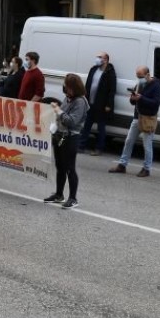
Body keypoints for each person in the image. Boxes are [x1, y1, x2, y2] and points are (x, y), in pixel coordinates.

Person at [44, 74, 88, 208]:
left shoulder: (80, 101)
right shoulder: (68, 98)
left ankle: (73, 198)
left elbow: (72, 121)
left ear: (74, 87)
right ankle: (59, 194)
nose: (65, 88)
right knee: (60, 167)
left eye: (67, 86)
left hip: (70, 138)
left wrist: (58, 111)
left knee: (70, 168)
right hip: (60, 136)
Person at [109, 66, 160, 178]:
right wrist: (133, 99)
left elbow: (156, 103)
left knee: (147, 145)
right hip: (137, 117)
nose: (139, 79)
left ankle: (146, 168)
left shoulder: (156, 86)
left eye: (141, 76)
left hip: (148, 119)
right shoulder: (140, 84)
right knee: (128, 141)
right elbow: (134, 101)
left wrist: (141, 98)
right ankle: (122, 165)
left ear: (148, 75)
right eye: (137, 76)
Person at [78, 51, 116, 156]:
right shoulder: (93, 69)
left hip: (101, 105)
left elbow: (112, 90)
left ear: (106, 60)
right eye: (97, 57)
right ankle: (81, 146)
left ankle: (99, 148)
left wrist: (109, 105)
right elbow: (88, 85)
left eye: (100, 57)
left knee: (101, 128)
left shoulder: (110, 72)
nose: (97, 59)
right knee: (86, 125)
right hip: (90, 102)